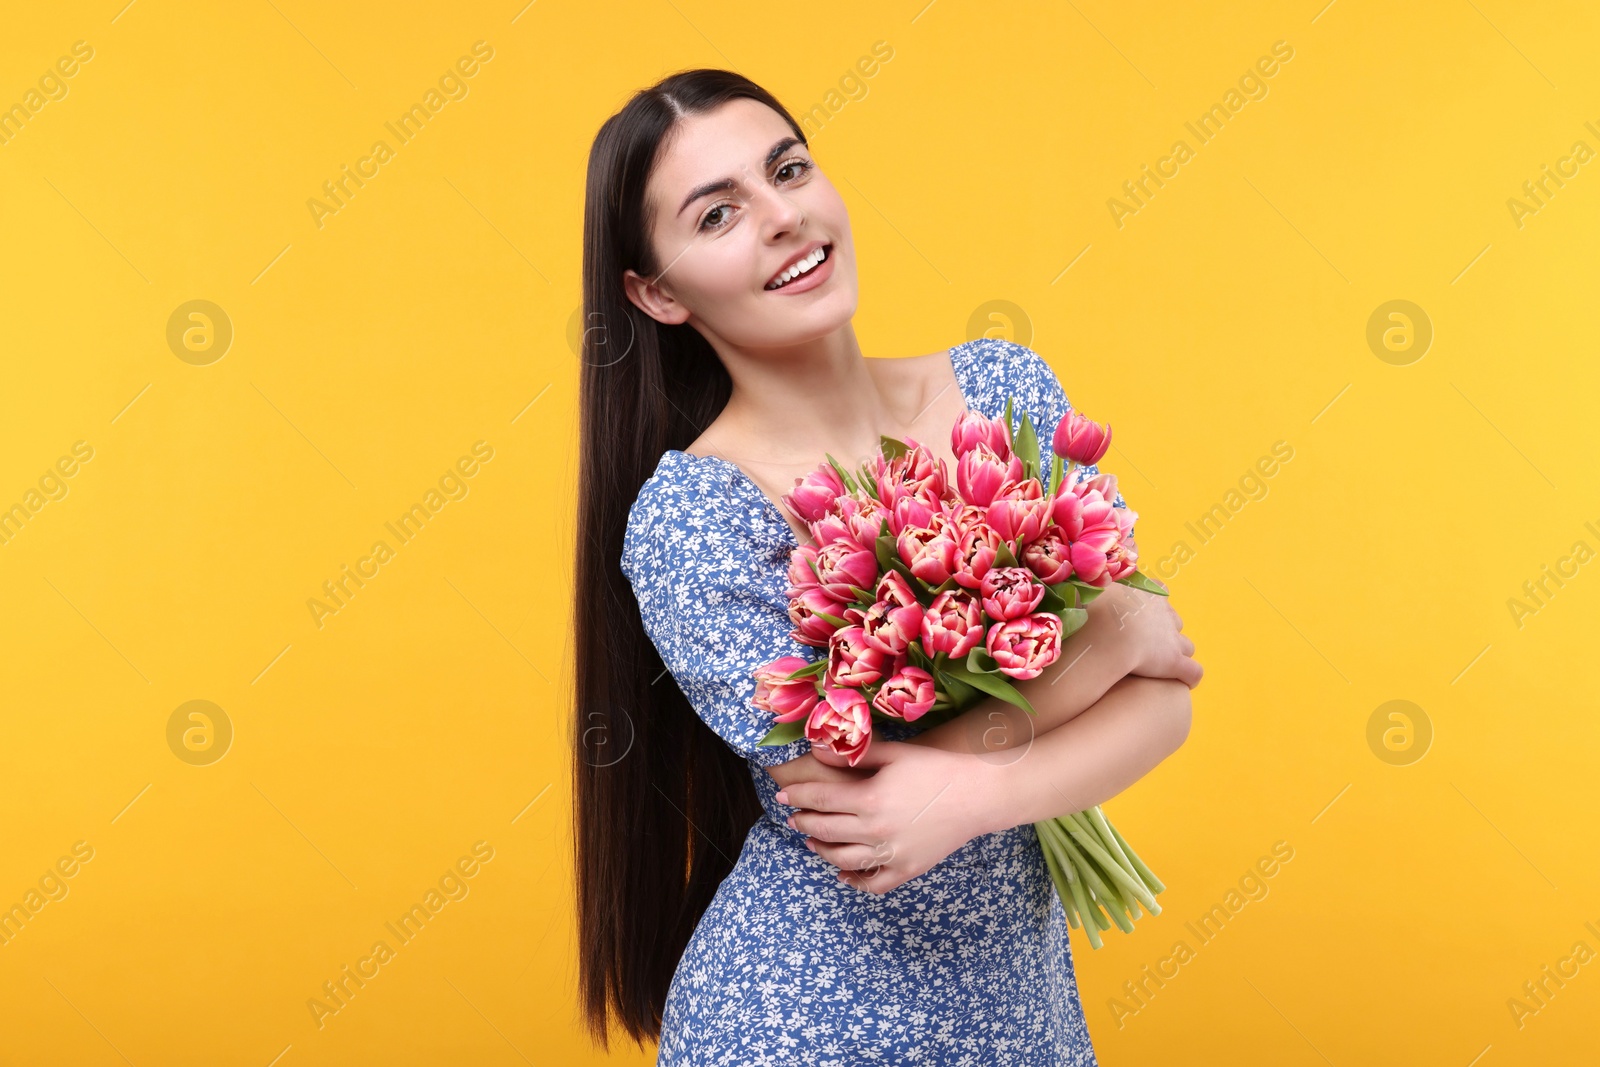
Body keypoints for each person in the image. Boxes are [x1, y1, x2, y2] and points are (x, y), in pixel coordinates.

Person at [572, 68, 1203, 1064]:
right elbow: (865, 806)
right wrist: (1115, 634)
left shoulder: (1000, 389)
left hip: (1022, 1015)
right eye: (718, 214)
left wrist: (973, 793)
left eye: (788, 169)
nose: (782, 217)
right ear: (656, 292)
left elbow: (1168, 702)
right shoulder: (694, 520)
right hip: (796, 1023)